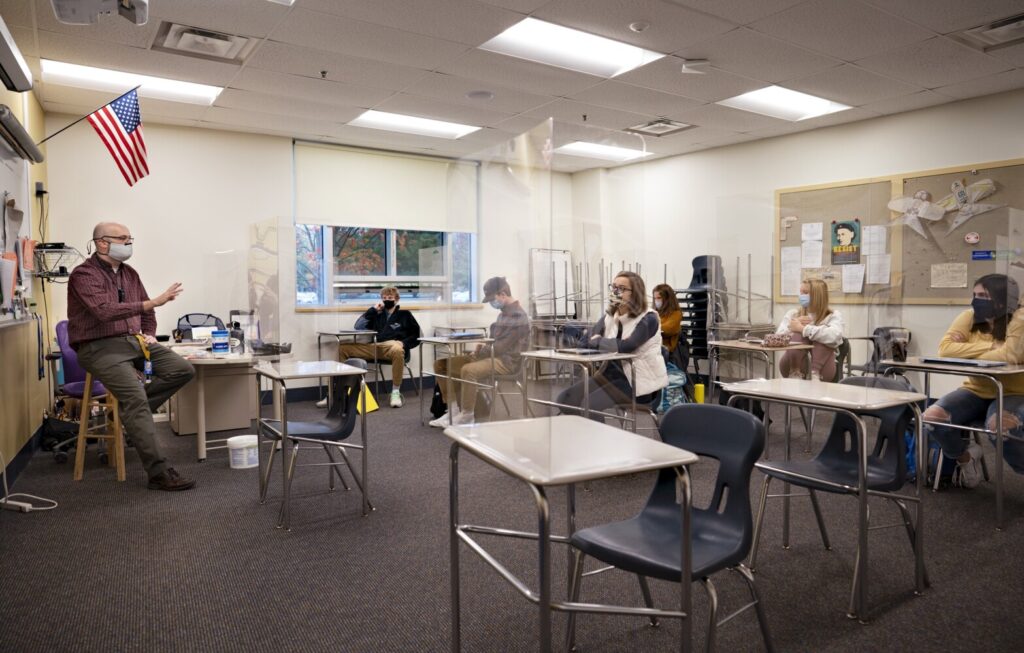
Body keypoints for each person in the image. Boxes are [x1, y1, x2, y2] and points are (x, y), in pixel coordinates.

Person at [67, 222, 196, 491]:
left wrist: (149, 333)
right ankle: (159, 472)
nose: (128, 243)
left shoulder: (130, 274)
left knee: (183, 369)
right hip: (98, 347)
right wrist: (153, 302)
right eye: (122, 238)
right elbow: (104, 311)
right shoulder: (83, 275)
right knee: (135, 399)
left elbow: (147, 313)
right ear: (102, 243)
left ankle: (128, 413)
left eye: (129, 238)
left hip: (133, 342)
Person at [923, 274, 1024, 488]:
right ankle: (966, 458)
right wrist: (992, 347)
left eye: (984, 296)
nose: (977, 300)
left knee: (1000, 427)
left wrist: (966, 350)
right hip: (976, 390)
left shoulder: (1019, 319)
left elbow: (1009, 356)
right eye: (975, 295)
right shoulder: (969, 317)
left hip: (1014, 392)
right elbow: (945, 350)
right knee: (931, 418)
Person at [556, 271, 668, 421]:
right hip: (609, 376)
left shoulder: (649, 318)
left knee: (590, 404)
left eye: (621, 288)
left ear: (635, 293)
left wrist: (598, 341)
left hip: (637, 382)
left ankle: (598, 435)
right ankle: (586, 430)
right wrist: (605, 343)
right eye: (613, 287)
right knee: (565, 400)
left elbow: (627, 347)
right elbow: (583, 341)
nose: (615, 292)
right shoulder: (609, 316)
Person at [430, 277, 530, 427]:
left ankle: (467, 416)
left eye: (492, 299)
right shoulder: (503, 314)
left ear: (503, 294)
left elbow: (501, 348)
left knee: (468, 370)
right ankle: (453, 411)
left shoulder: (518, 316)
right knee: (441, 365)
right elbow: (495, 343)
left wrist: (481, 351)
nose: (491, 303)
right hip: (491, 356)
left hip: (507, 362)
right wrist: (481, 348)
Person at [340, 286, 420, 407]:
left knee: (397, 348)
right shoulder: (377, 314)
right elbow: (358, 326)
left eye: (390, 297)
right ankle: (341, 390)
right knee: (343, 349)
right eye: (384, 298)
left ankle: (395, 392)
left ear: (396, 299)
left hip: (393, 347)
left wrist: (403, 343)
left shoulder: (405, 315)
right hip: (375, 346)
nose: (387, 300)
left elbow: (416, 335)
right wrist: (373, 310)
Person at [776, 279, 845, 381]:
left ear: (817, 295)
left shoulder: (833, 316)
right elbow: (777, 338)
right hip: (789, 366)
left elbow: (835, 336)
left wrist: (803, 329)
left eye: (805, 292)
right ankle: (795, 372)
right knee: (797, 335)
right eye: (801, 292)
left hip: (823, 371)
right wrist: (791, 327)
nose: (801, 296)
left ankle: (815, 373)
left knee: (821, 336)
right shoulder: (793, 314)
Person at [652, 283, 682, 352]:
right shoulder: (654, 312)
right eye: (655, 298)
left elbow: (667, 329)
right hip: (654, 346)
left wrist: (650, 326)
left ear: (667, 299)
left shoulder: (676, 314)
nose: (656, 301)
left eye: (659, 298)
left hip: (665, 348)